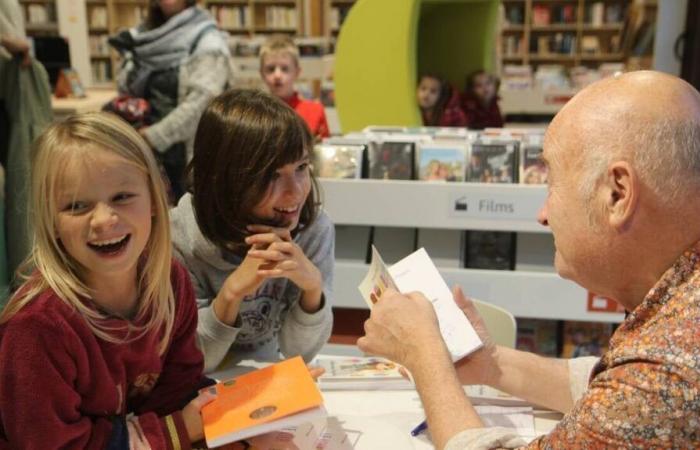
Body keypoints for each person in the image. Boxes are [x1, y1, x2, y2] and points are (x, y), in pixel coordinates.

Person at [358, 71, 700, 449]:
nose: (543, 214)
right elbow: (613, 386)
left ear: (617, 194)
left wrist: (425, 357)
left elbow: (641, 396)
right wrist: (491, 363)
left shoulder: (669, 376)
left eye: (552, 182)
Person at [0, 112, 215, 448]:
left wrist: (254, 409)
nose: (103, 219)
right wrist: (176, 432)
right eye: (76, 206)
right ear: (50, 220)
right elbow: (49, 443)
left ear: (156, 198)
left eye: (121, 197)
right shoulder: (37, 327)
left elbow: (179, 387)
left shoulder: (171, 282)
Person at [171, 89, 334, 373]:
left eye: (301, 167)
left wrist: (312, 289)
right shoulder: (181, 236)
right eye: (272, 175)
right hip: (199, 388)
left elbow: (301, 354)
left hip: (267, 376)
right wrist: (232, 292)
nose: (295, 192)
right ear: (225, 178)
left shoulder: (313, 229)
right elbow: (195, 360)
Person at [109, 0, 232, 202]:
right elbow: (126, 88)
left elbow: (202, 103)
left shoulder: (206, 40)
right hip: (142, 149)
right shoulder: (143, 37)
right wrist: (130, 57)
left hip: (183, 155)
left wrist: (152, 137)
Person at [259, 35, 330, 140]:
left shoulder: (315, 111)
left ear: (297, 72)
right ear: (262, 73)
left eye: (285, 69)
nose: (277, 75)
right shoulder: (257, 113)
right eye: (271, 69)